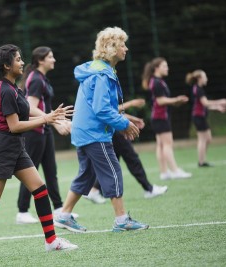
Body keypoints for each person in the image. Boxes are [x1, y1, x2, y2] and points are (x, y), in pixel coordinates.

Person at [0, 44, 78, 261]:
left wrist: (49, 117)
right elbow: (15, 125)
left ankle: (52, 241)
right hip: (0, 147)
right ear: (7, 65)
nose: (22, 62)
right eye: (18, 59)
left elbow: (20, 122)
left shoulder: (13, 88)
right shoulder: (6, 90)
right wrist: (46, 118)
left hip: (15, 145)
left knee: (40, 189)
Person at [54, 26, 149, 233]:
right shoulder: (101, 74)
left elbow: (104, 107)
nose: (126, 49)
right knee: (112, 171)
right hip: (94, 134)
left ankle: (63, 215)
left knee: (86, 174)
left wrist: (125, 119)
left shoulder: (98, 69)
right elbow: (102, 109)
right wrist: (123, 124)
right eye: (123, 44)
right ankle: (122, 219)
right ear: (112, 47)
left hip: (85, 132)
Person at [15, 46, 74, 224]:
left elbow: (44, 107)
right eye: (50, 57)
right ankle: (22, 212)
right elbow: (30, 108)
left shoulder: (42, 78)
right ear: (41, 60)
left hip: (45, 130)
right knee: (29, 171)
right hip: (34, 132)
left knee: (50, 170)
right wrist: (54, 121)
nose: (54, 60)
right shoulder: (36, 80)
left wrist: (59, 119)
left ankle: (58, 208)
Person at [84, 99, 168, 203]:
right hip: (112, 129)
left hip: (111, 128)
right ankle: (148, 189)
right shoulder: (100, 83)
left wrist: (131, 119)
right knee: (132, 158)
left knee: (113, 162)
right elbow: (107, 110)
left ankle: (94, 190)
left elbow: (112, 111)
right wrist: (131, 104)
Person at [141, 57, 192, 180]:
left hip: (158, 117)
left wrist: (175, 102)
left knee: (161, 145)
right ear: (156, 68)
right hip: (160, 117)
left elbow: (161, 101)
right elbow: (160, 100)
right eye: (164, 66)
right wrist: (176, 100)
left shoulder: (157, 81)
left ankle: (164, 173)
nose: (167, 68)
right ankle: (175, 171)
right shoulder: (157, 82)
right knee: (167, 144)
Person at [185, 69, 226, 167]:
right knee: (202, 139)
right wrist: (220, 101)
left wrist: (217, 108)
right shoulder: (198, 89)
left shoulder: (198, 88)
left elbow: (203, 105)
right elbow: (205, 103)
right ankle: (201, 162)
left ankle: (203, 160)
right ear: (199, 78)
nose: (206, 79)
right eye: (205, 77)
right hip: (198, 117)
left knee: (208, 138)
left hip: (200, 117)